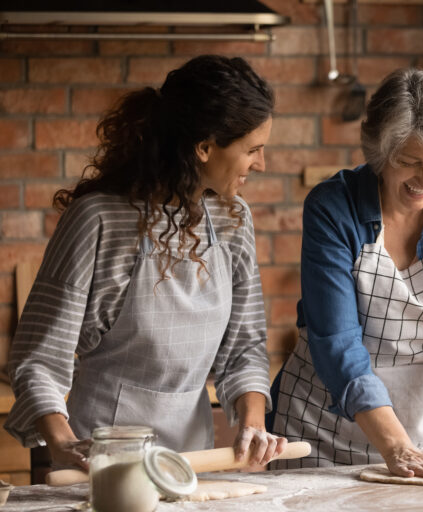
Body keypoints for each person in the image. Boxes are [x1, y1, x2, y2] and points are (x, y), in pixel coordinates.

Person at [5, 55, 286, 470]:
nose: (261, 164)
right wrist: (64, 444)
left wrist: (253, 423)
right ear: (205, 147)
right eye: (252, 150)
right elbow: (38, 360)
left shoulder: (233, 219)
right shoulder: (98, 220)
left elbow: (244, 347)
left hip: (191, 460)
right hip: (99, 457)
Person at [269, 68, 423, 478]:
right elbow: (337, 342)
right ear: (380, 153)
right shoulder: (334, 207)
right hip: (322, 430)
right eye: (409, 162)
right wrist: (396, 446)